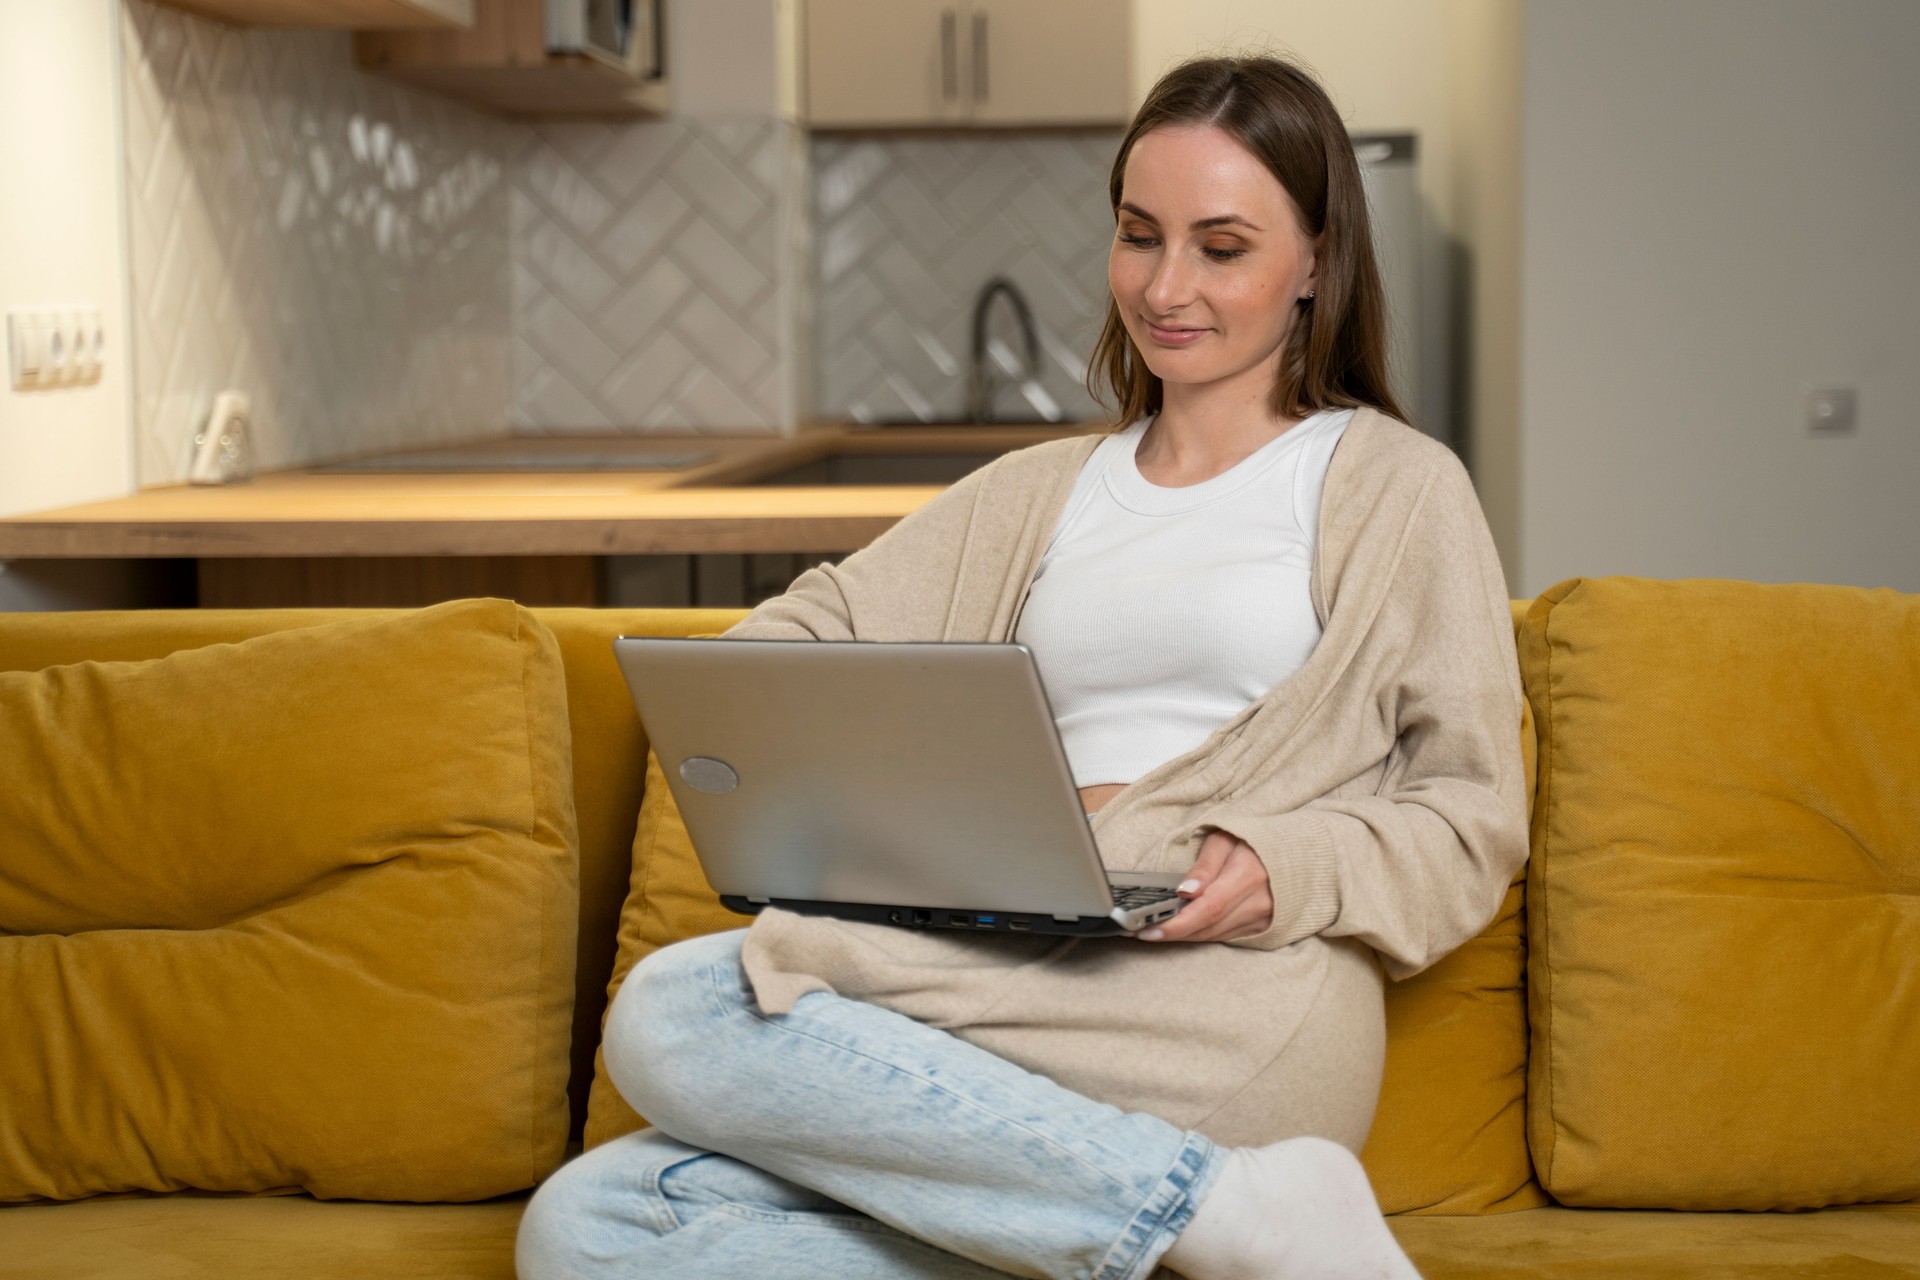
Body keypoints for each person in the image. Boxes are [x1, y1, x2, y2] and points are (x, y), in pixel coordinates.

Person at [518, 53, 1527, 1280]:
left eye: (1222, 247)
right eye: (1138, 236)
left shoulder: (1394, 488)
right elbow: (788, 644)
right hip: (1000, 964)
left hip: (1216, 990)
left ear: (1316, 259)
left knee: (679, 1010)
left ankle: (1206, 1202)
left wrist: (1281, 859)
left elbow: (1473, 814)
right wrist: (929, 800)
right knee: (588, 1225)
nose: (1166, 287)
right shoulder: (1040, 492)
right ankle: (1204, 1220)